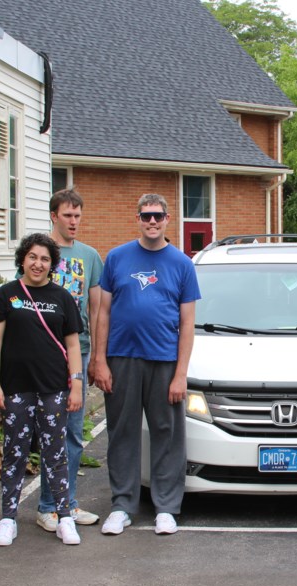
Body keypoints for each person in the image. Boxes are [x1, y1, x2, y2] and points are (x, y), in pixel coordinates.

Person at [94, 194, 200, 536]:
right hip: (122, 358)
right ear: (137, 219)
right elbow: (103, 312)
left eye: (158, 216)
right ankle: (122, 506)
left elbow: (187, 323)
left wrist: (181, 374)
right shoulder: (117, 258)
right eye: (146, 216)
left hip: (165, 361)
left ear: (168, 219)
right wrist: (100, 361)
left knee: (167, 435)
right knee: (121, 432)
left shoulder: (182, 263)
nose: (152, 222)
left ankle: (166, 508)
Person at [0, 233, 85, 547]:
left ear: (51, 264)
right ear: (22, 260)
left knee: (56, 455)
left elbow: (72, 344)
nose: (38, 264)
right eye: (32, 257)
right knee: (15, 454)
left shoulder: (62, 297)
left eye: (44, 259)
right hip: (16, 388)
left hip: (53, 388)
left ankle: (64, 517)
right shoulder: (7, 296)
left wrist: (77, 385)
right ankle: (8, 519)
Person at [34, 189, 104, 533]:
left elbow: (96, 308)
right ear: (54, 216)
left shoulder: (90, 257)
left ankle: (68, 504)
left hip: (81, 349)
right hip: (46, 353)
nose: (73, 222)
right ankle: (47, 506)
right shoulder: (40, 252)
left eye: (78, 216)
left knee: (74, 432)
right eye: (67, 216)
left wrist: (96, 357)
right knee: (51, 431)